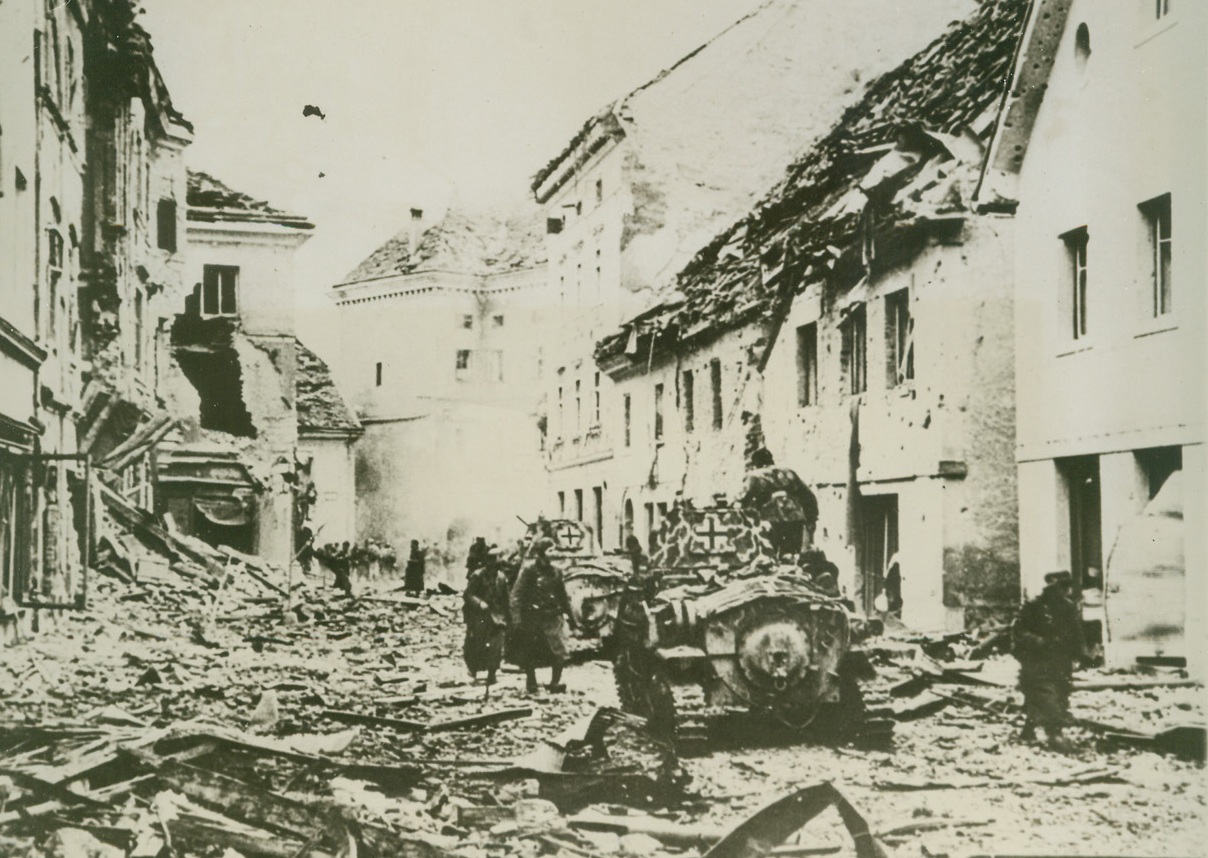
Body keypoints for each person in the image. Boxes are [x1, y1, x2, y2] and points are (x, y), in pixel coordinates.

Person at [1012, 570, 1086, 750]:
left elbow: (1076, 633)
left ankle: (1029, 729)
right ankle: (1055, 734)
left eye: (1066, 587)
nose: (1065, 591)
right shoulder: (1034, 606)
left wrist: (1081, 655)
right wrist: (1040, 642)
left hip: (1060, 660)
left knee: (1059, 692)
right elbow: (1019, 632)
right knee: (1045, 694)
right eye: (1061, 587)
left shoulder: (1068, 607)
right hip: (1037, 659)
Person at [508, 536, 576, 694]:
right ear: (541, 554)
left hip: (553, 617)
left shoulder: (556, 572)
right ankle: (531, 682)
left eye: (554, 551)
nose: (553, 555)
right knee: (530, 651)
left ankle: (555, 683)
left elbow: (563, 597)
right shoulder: (529, 571)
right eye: (550, 551)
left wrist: (571, 618)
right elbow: (516, 596)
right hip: (533, 617)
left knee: (559, 650)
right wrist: (517, 619)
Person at [740, 447, 819, 558]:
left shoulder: (754, 476)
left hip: (770, 520)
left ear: (756, 463)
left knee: (770, 557)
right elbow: (808, 496)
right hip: (795, 518)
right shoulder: (789, 472)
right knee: (792, 556)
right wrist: (812, 519)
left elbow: (742, 500)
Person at [463, 546, 511, 686]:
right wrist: (479, 603)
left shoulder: (501, 578)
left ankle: (492, 673)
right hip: (480, 615)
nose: (494, 563)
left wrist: (510, 618)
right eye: (492, 560)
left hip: (497, 616)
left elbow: (505, 599)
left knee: (497, 646)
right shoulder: (477, 575)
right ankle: (474, 671)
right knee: (477, 644)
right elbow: (468, 594)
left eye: (496, 560)